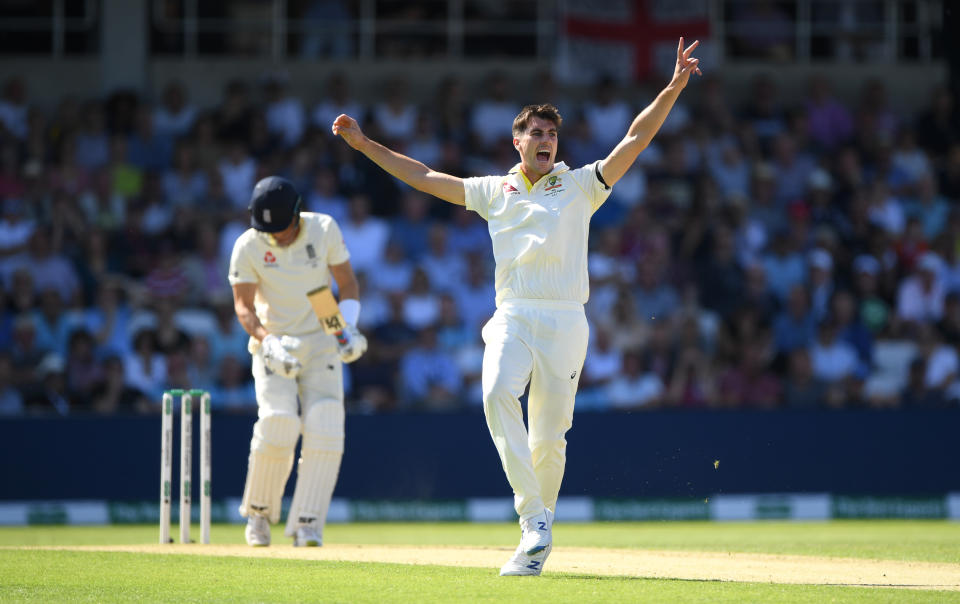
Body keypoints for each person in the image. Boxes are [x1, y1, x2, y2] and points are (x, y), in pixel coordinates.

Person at [332, 38, 701, 576]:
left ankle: (536, 541)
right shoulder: (492, 189)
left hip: (566, 318)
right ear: (517, 141)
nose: (545, 139)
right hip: (513, 313)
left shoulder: (580, 185)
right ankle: (533, 517)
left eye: (552, 133)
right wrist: (365, 146)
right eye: (536, 132)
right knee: (493, 391)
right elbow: (426, 177)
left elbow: (635, 139)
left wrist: (671, 88)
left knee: (549, 438)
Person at [228, 176, 367, 547]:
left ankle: (308, 523)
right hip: (274, 338)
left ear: (297, 212)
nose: (278, 237)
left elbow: (346, 285)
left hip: (324, 328)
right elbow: (243, 306)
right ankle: (258, 516)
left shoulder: (323, 228)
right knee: (278, 421)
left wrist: (347, 330)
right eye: (268, 231)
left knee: (326, 421)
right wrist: (266, 341)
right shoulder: (247, 245)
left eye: (284, 229)